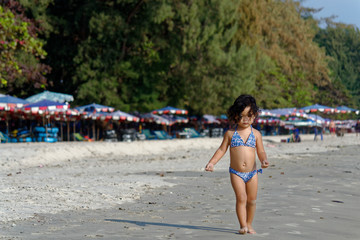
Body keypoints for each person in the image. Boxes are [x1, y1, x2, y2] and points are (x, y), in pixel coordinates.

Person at [205, 94, 269, 235]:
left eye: (250, 115)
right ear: (235, 116)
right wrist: (212, 163)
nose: (246, 119)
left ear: (255, 116)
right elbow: (222, 150)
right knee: (241, 198)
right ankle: (242, 225)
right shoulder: (230, 134)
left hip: (252, 173)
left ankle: (249, 224)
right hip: (236, 172)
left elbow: (261, 151)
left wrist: (264, 160)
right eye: (242, 115)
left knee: (251, 201)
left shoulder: (256, 134)